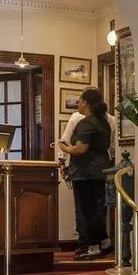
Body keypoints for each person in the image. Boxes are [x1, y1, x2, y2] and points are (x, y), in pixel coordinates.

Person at [58, 89, 112, 258]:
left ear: (85, 103)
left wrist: (64, 148)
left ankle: (93, 247)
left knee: (88, 211)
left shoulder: (86, 123)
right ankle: (105, 242)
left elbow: (80, 149)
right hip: (101, 170)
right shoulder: (104, 122)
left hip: (86, 171)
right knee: (98, 209)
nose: (78, 104)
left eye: (80, 100)